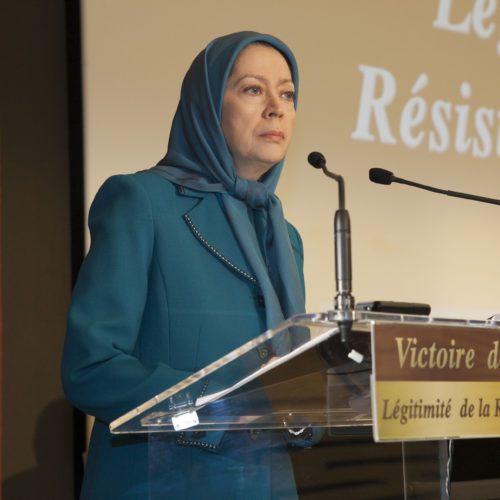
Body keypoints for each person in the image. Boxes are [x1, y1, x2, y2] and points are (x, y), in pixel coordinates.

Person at [62, 31, 306, 499]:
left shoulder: (285, 237)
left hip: (267, 485)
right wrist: (220, 405)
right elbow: (91, 368)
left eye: (288, 93)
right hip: (165, 482)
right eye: (253, 89)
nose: (276, 107)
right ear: (207, 105)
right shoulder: (142, 202)